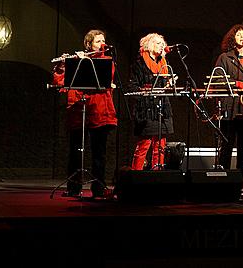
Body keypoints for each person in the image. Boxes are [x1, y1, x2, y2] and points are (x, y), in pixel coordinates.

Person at [52, 29, 117, 198]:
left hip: (99, 111)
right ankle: (73, 188)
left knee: (99, 153)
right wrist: (61, 66)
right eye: (98, 41)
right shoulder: (76, 61)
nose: (102, 44)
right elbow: (60, 82)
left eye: (103, 41)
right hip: (79, 110)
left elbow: (106, 80)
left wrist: (86, 61)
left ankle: (98, 188)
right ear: (89, 44)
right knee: (75, 151)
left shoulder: (107, 61)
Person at [214, 24, 243, 181]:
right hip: (230, 105)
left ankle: (241, 182)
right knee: (227, 145)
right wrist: (237, 84)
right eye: (239, 35)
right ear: (232, 39)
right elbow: (218, 80)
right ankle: (224, 180)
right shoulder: (225, 57)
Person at [127, 33, 175, 170]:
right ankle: (136, 175)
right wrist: (146, 91)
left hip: (162, 107)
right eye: (158, 43)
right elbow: (132, 86)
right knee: (144, 144)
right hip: (146, 108)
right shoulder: (139, 63)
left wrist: (169, 84)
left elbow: (164, 85)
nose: (162, 46)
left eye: (162, 44)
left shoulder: (164, 64)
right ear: (149, 45)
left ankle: (157, 175)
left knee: (160, 146)